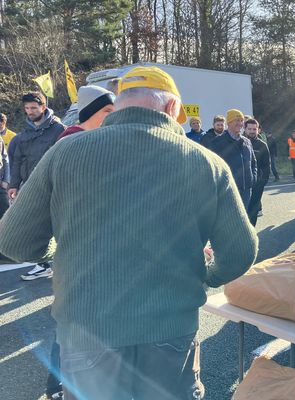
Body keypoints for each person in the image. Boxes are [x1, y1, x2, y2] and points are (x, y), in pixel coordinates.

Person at [0, 65, 258, 400]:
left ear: (118, 106)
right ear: (170, 109)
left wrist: (58, 246)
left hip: (87, 330)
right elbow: (241, 251)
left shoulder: (65, 152)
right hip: (171, 328)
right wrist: (208, 274)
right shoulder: (205, 163)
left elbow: (15, 242)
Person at [9, 91, 65, 281]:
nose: (30, 112)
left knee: (57, 224)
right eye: (27, 108)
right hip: (31, 186)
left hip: (53, 185)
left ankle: (60, 264)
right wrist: (14, 185)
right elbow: (17, 160)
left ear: (43, 107)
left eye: (34, 107)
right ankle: (44, 265)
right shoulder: (25, 133)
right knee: (37, 226)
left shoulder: (59, 129)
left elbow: (64, 158)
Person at [209, 109, 257, 208]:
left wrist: (253, 178)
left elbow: (253, 162)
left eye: (241, 120)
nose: (240, 123)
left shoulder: (247, 142)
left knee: (244, 218)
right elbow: (213, 166)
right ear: (229, 122)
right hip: (229, 190)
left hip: (246, 190)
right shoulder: (218, 142)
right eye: (237, 120)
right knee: (230, 220)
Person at [245, 118, 270, 226]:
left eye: (254, 129)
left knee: (253, 211)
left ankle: (250, 233)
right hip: (241, 184)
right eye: (249, 128)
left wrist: (261, 182)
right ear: (244, 129)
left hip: (256, 184)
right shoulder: (239, 142)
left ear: (258, 130)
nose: (252, 131)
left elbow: (266, 166)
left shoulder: (262, 145)